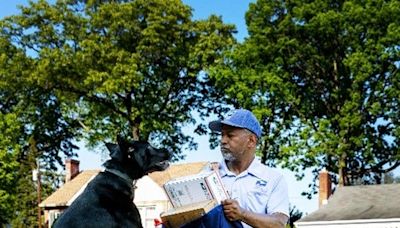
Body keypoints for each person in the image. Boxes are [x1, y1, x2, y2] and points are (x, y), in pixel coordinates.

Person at [208, 109, 289, 228]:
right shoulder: (208, 174)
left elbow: (279, 223)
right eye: (222, 135)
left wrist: (242, 214)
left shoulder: (273, 179)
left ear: (251, 141)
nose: (223, 141)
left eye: (230, 135)